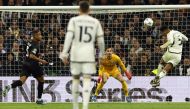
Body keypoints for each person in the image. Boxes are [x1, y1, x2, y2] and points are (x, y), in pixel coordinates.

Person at [59, 1, 105, 109]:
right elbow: (101, 41)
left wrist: (64, 53)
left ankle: (75, 107)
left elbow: (69, 38)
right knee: (87, 79)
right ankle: (85, 107)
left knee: (75, 79)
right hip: (89, 54)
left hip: (76, 54)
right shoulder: (95, 22)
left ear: (78, 10)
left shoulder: (73, 21)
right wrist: (101, 54)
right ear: (89, 10)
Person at [2, 29, 49, 104]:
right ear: (35, 35)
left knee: (21, 81)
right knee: (41, 80)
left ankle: (9, 86)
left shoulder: (29, 43)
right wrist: (41, 60)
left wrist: (37, 55)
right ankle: (39, 99)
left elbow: (29, 53)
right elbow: (31, 55)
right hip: (33, 64)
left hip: (25, 63)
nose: (41, 36)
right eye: (39, 35)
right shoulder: (35, 44)